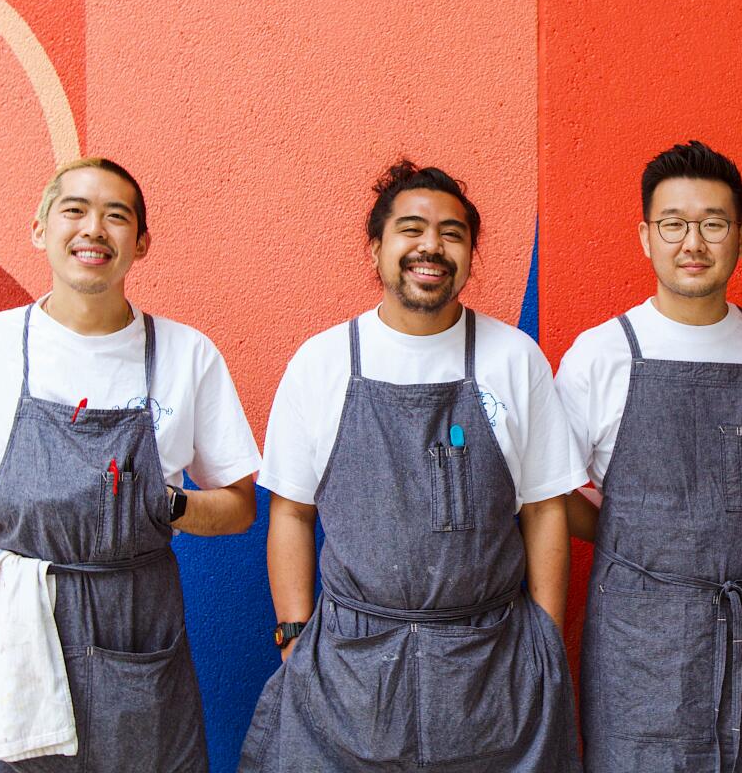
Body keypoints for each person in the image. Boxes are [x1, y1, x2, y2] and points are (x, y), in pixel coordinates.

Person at [0, 157, 261, 772]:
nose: (94, 229)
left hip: (139, 617)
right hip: (23, 617)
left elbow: (239, 506)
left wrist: (167, 504)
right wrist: (4, 500)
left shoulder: (186, 354)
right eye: (75, 210)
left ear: (141, 243)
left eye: (116, 217)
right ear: (40, 229)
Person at [238, 159, 583, 772]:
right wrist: (293, 635)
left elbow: (545, 509)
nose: (432, 246)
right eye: (412, 228)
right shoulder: (320, 364)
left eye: (452, 233)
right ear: (376, 249)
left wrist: (545, 643)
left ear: (472, 254)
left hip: (493, 670)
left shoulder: (515, 358)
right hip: (349, 675)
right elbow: (290, 513)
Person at [555, 140, 742, 772]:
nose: (692, 242)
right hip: (638, 641)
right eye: (673, 224)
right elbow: (550, 492)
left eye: (713, 224)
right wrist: (627, 538)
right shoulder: (601, 352)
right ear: (645, 236)